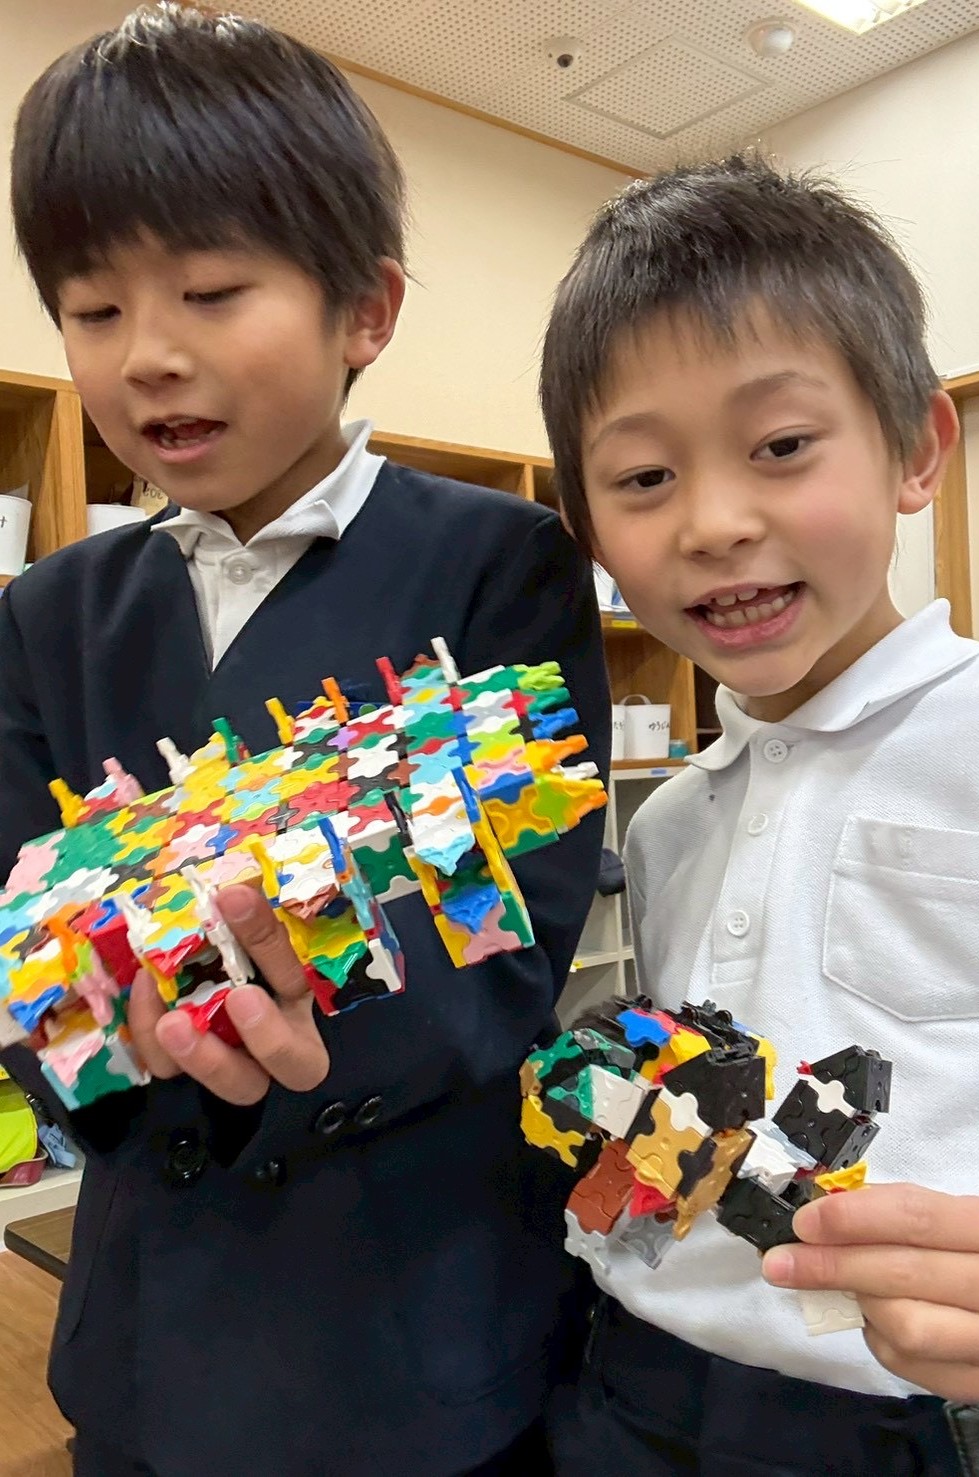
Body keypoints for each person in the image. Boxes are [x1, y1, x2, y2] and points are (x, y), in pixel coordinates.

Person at [0, 7, 609, 1474]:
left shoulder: (498, 562)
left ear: (365, 311)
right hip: (143, 1322)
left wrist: (292, 1049)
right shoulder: (46, 611)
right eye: (92, 310)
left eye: (212, 292)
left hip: (408, 1314)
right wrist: (85, 1043)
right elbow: (26, 939)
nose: (149, 357)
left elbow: (508, 941)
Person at [537, 154, 979, 1475]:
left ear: (914, 450)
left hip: (934, 1424)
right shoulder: (666, 824)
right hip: (629, 1389)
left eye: (780, 447)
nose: (715, 523)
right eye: (643, 478)